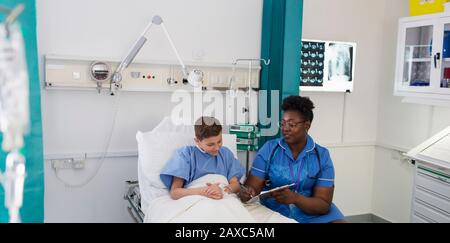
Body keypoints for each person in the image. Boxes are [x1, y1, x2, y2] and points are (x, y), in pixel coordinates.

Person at [238, 96, 345, 223]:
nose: (285, 128)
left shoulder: (321, 156)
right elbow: (252, 187)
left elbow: (323, 205)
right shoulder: (269, 149)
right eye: (282, 123)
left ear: (307, 125)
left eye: (291, 124)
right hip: (275, 208)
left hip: (311, 210)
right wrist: (248, 192)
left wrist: (296, 199)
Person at [160, 116, 245, 200]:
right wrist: (204, 191)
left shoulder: (226, 154)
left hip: (223, 196)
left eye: (219, 141)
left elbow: (235, 185)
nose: (217, 148)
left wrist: (222, 190)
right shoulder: (186, 155)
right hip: (196, 196)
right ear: (197, 141)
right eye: (210, 144)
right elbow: (175, 192)